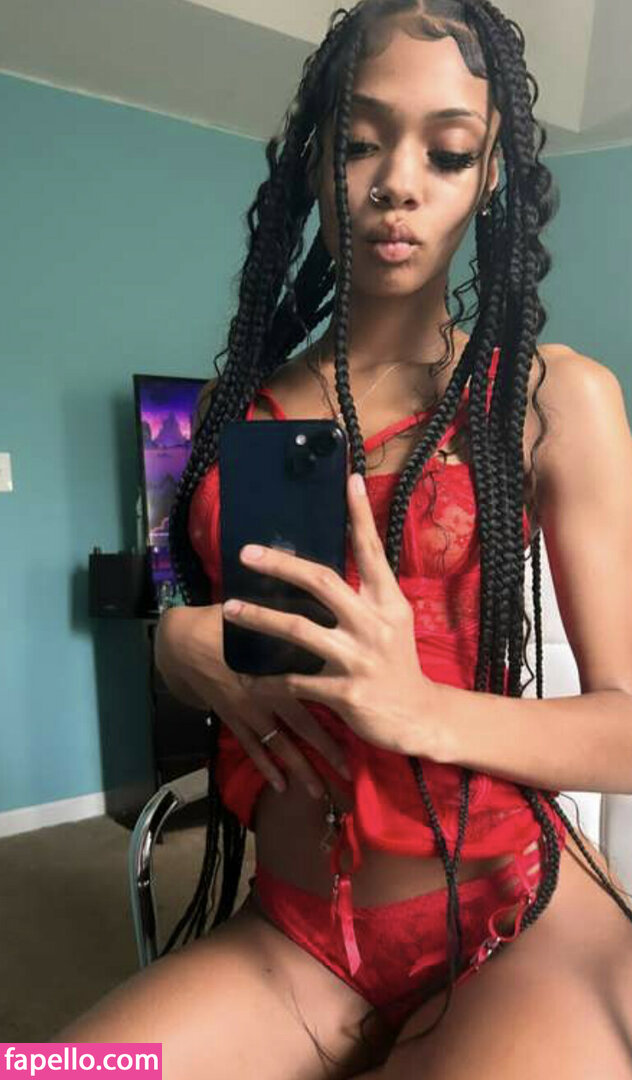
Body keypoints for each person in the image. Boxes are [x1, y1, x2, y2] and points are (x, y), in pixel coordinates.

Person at [55, 1, 632, 1076]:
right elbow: (230, 629)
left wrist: (421, 709)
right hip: (299, 939)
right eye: (361, 140)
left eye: (446, 151)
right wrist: (173, 640)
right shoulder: (236, 417)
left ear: (488, 177)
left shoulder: (554, 400)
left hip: (507, 919)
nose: (396, 182)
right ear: (315, 157)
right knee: (52, 1068)